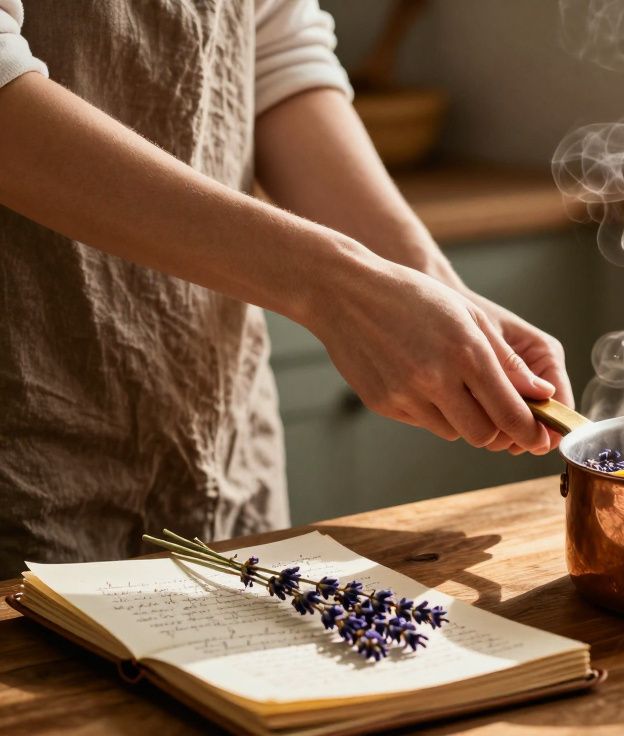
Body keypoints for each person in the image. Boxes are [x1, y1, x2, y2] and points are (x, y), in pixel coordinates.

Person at [0, 0, 572, 577]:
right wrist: (338, 285)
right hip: (24, 434)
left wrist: (432, 281)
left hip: (218, 431)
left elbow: (274, 50)